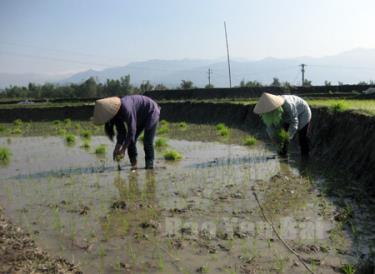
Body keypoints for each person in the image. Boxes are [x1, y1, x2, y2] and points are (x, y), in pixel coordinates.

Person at [92, 95, 160, 169]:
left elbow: (132, 130)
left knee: (147, 141)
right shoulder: (115, 115)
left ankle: (149, 165)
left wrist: (123, 149)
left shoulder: (126, 107)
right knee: (130, 141)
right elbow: (122, 132)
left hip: (151, 112)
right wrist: (117, 147)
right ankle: (133, 163)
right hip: (139, 117)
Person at [253, 92, 312, 157]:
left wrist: (288, 137)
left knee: (302, 137)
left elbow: (294, 122)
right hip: (287, 117)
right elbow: (270, 125)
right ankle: (283, 156)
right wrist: (273, 137)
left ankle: (305, 156)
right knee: (281, 136)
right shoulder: (268, 113)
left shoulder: (288, 104)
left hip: (303, 112)